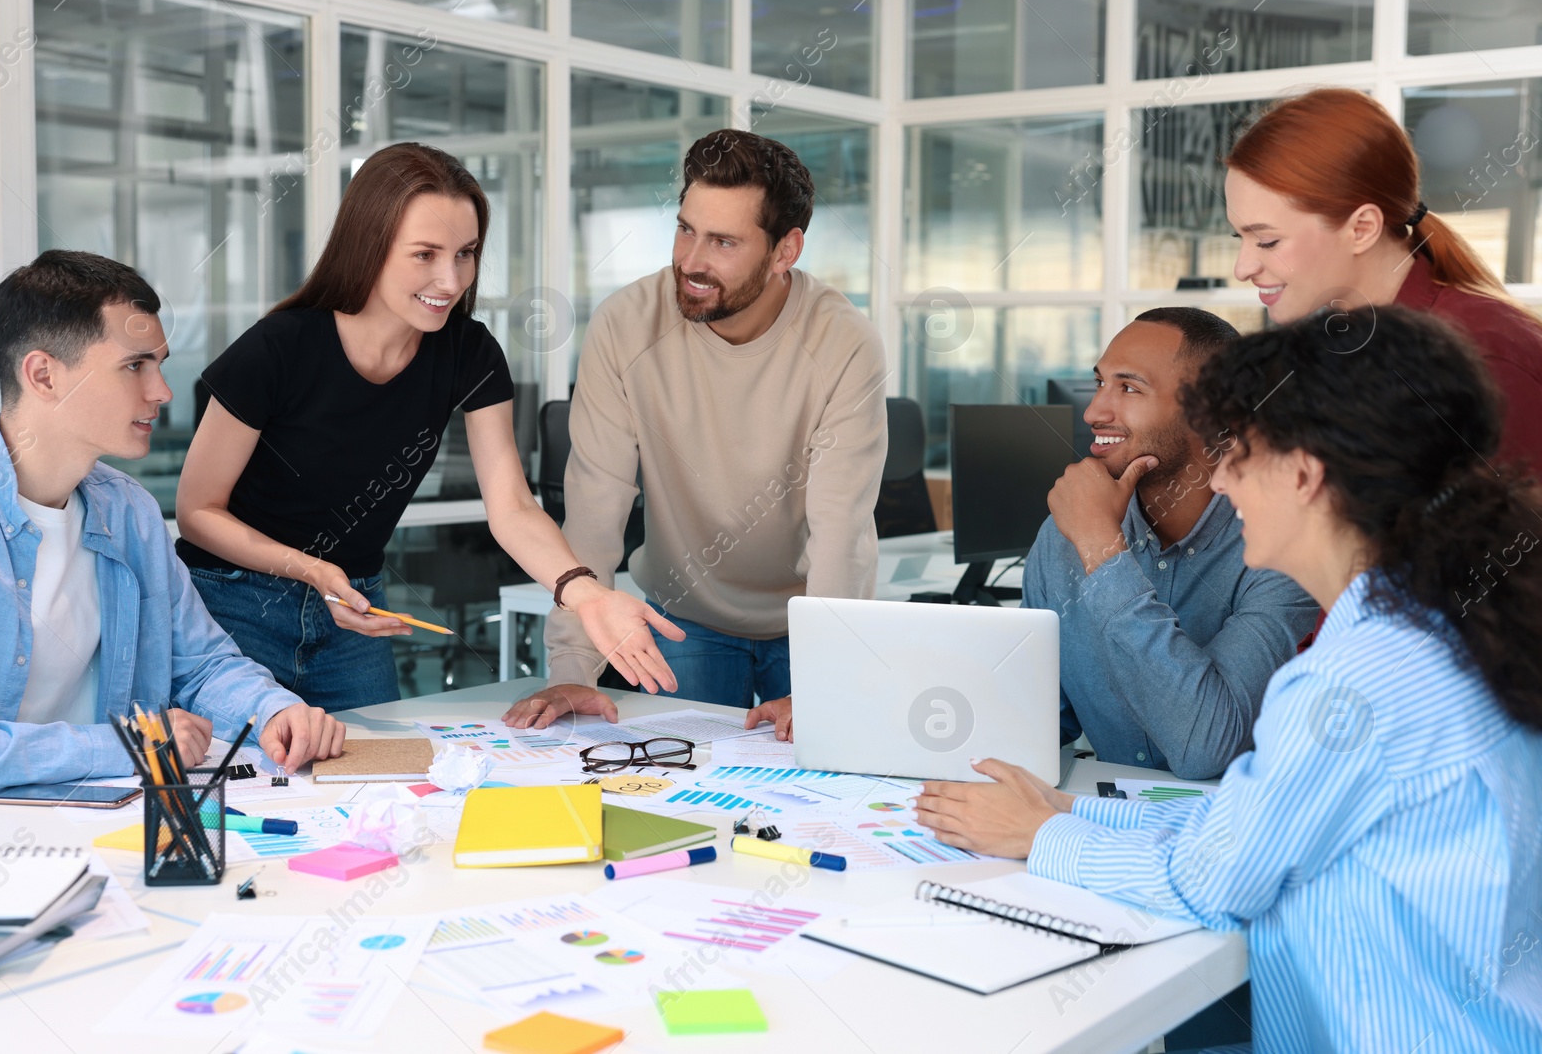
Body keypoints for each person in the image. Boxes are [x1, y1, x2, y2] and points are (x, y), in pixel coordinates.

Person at [915, 306, 1542, 1052]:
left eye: (1238, 454)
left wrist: (1045, 834)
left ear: (1305, 474)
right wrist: (1068, 812)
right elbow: (1248, 830)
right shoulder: (1429, 628)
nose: (1219, 478)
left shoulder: (1356, 679)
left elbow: (1213, 882)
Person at [175, 143, 679, 714]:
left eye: (465, 253)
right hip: (233, 603)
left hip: (354, 613)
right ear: (370, 247)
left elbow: (511, 506)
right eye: (424, 255)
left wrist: (586, 595)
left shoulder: (470, 354)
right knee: (232, 789)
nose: (451, 279)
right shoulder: (279, 348)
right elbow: (197, 510)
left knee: (377, 785)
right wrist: (312, 570)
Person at [742, 309, 1317, 771]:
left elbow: (1206, 749)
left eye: (1128, 387)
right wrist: (844, 710)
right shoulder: (1061, 536)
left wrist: (1102, 549)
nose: (1095, 409)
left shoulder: (1276, 545)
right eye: (1098, 383)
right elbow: (1038, 711)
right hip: (1102, 817)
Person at [503, 129, 887, 731]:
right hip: (683, 621)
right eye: (686, 229)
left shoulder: (842, 343)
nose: (692, 261)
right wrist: (573, 670)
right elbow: (595, 510)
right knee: (680, 795)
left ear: (786, 250)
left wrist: (827, 678)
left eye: (724, 242)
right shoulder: (626, 326)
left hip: (808, 622)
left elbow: (842, 532)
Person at [0, 251, 346, 800]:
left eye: (158, 364)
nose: (162, 391)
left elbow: (201, 665)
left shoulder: (129, 510)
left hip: (111, 819)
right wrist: (127, 746)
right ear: (43, 375)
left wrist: (272, 709)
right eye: (134, 366)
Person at [1225, 86, 1542, 474]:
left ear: (1362, 228)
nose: (1242, 268)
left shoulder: (1485, 359)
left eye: (1267, 241)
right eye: (1239, 237)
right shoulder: (1335, 344)